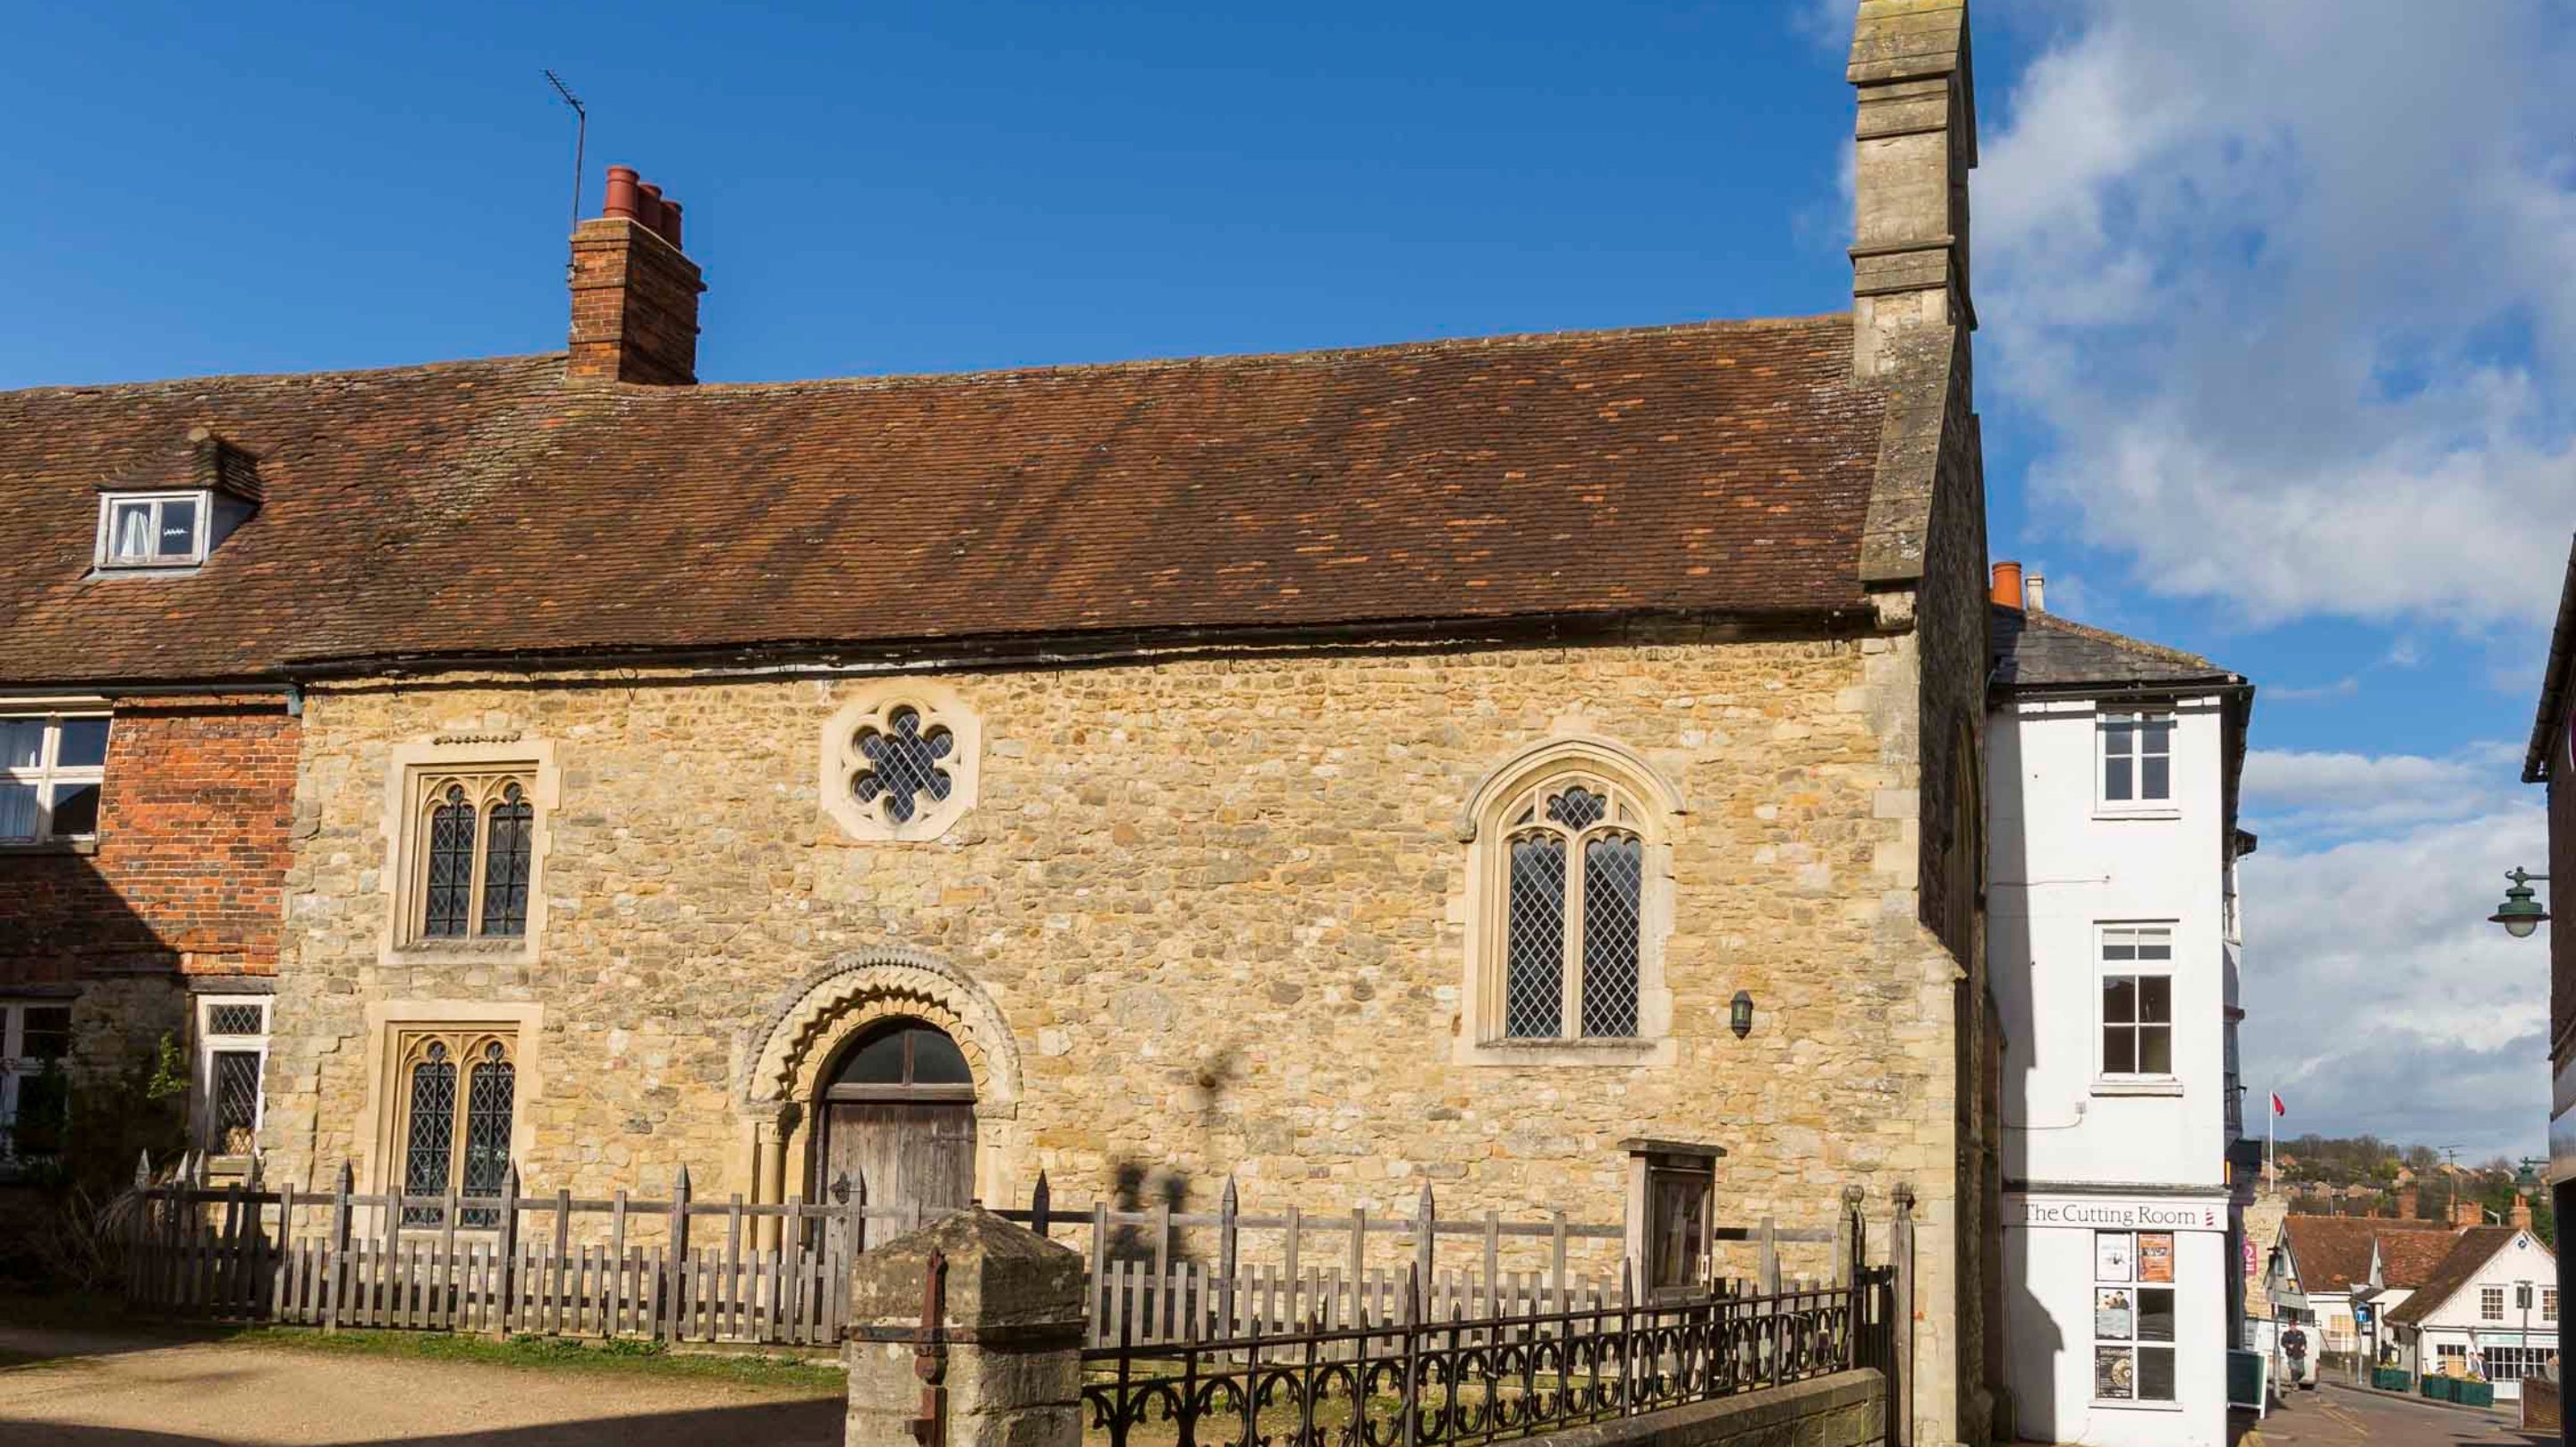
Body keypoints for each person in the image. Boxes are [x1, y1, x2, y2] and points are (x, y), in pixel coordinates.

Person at [2282, 1323, 2311, 1389]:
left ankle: (2294, 1382)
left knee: (2301, 1372)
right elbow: (2283, 1343)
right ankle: (2295, 1385)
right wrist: (2288, 1345)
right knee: (2294, 1370)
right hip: (2291, 1355)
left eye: (2294, 1326)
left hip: (2300, 1355)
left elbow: (2304, 1342)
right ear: (2289, 1327)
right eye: (2291, 1326)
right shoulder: (2286, 1334)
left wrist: (2304, 1346)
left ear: (2296, 1326)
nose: (2293, 1327)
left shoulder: (2300, 1333)